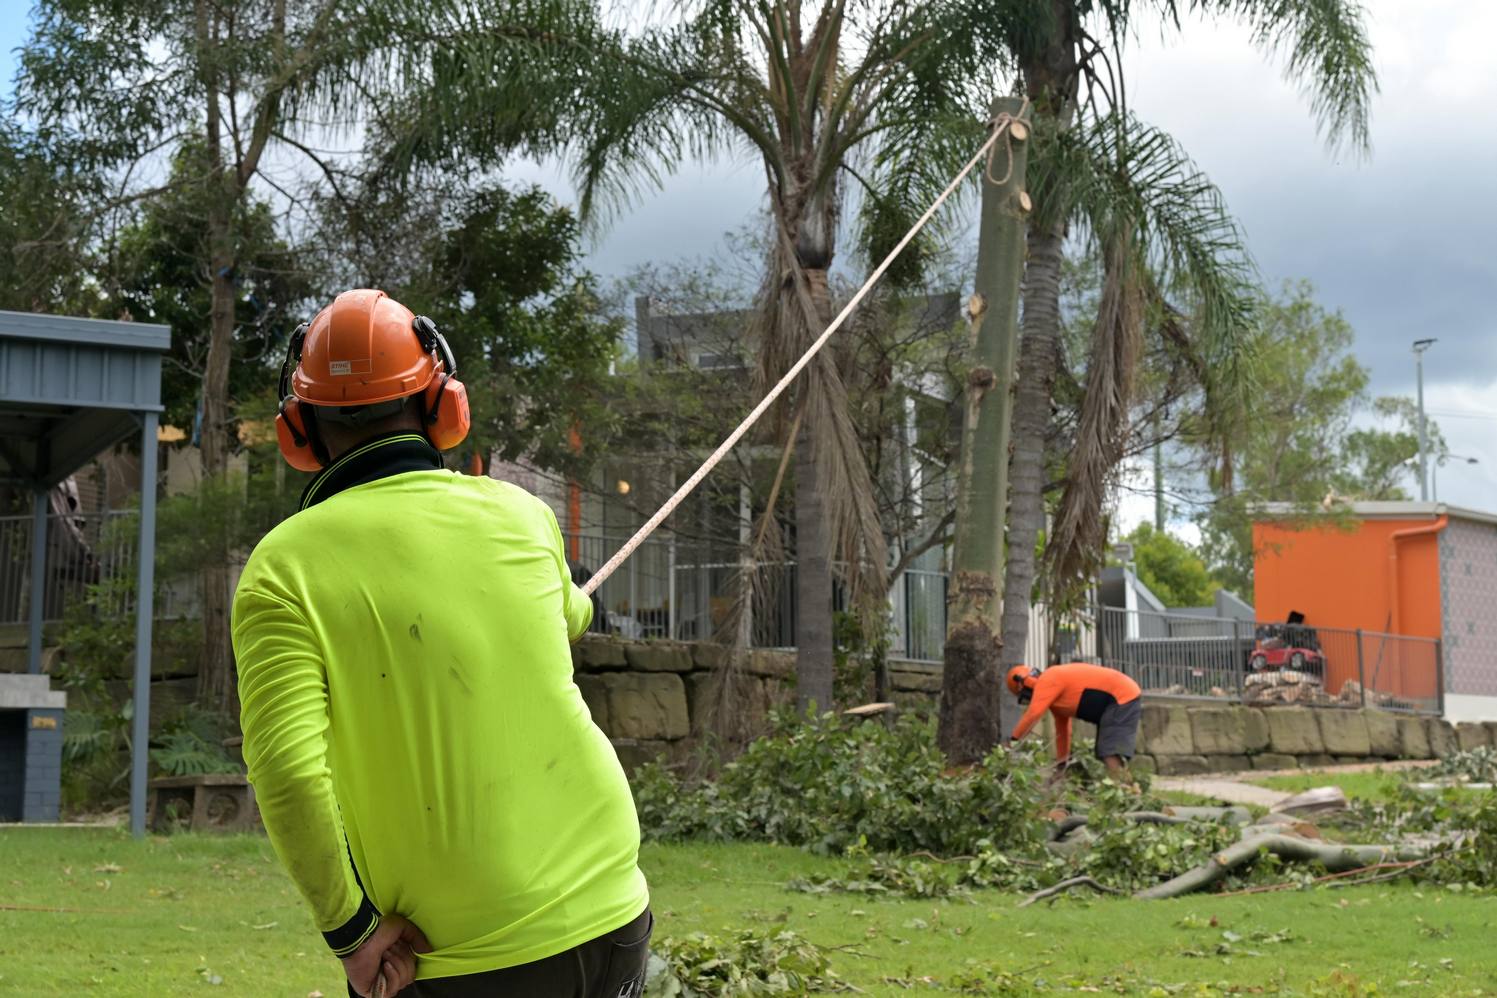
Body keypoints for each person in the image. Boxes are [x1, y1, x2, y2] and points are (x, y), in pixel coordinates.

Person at [234, 289, 650, 998]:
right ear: (440, 404)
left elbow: (288, 772)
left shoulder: (283, 567)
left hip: (464, 954)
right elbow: (567, 618)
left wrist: (352, 935)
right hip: (611, 903)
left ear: (300, 427)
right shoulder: (521, 515)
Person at [1005, 662, 1142, 782]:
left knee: (1110, 752)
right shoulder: (1056, 700)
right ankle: (1127, 791)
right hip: (1122, 696)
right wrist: (1061, 765)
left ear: (1023, 684)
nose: (1029, 700)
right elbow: (1063, 731)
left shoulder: (1048, 679)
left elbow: (1033, 714)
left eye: (1024, 697)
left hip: (1122, 696)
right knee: (1106, 751)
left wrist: (1012, 743)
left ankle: (1125, 793)